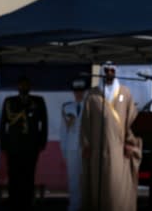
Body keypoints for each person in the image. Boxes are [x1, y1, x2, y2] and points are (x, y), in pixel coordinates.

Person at [80, 61, 142, 211]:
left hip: (119, 152)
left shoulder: (125, 93)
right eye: (106, 70)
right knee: (97, 189)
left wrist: (131, 144)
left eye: (111, 71)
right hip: (97, 153)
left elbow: (132, 122)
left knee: (116, 190)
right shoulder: (92, 95)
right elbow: (85, 124)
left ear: (115, 72)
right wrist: (86, 144)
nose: (108, 73)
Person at [0, 75, 47, 209]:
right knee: (13, 174)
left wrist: (42, 142)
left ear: (30, 87)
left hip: (31, 145)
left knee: (29, 174)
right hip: (13, 145)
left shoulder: (38, 101)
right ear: (17, 87)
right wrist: (3, 143)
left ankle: (27, 201)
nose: (23, 87)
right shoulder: (9, 101)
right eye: (21, 85)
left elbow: (44, 123)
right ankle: (14, 200)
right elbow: (3, 123)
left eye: (26, 85)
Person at [59, 76, 88, 211]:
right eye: (76, 91)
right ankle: (74, 206)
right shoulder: (67, 107)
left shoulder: (89, 107)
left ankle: (86, 205)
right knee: (73, 179)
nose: (78, 93)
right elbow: (63, 131)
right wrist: (64, 149)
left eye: (81, 91)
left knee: (86, 178)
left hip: (86, 148)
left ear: (85, 91)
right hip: (71, 148)